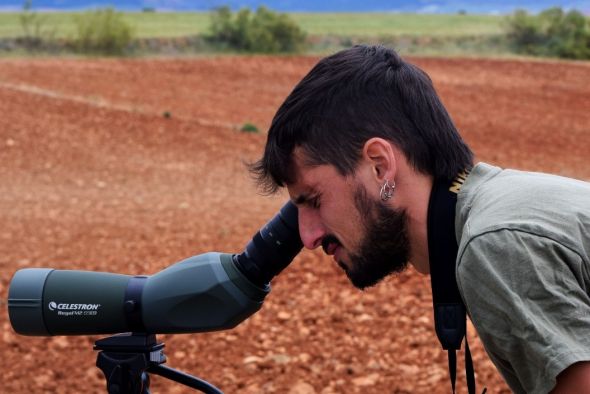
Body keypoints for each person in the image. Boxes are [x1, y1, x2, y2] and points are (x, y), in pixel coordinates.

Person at [250, 45, 590, 393]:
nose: (307, 236)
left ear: (380, 166)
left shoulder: (492, 243)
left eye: (314, 200)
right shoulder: (500, 207)